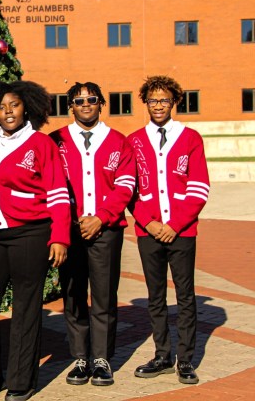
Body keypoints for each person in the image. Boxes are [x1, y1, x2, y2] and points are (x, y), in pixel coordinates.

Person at [0, 79, 71, 401]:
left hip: (32, 232)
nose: (8, 112)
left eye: (13, 105)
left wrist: (60, 237)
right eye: (1, 107)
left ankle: (22, 381)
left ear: (26, 106)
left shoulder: (41, 144)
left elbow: (58, 194)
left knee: (26, 307)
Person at [48, 82, 136, 387]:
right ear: (71, 105)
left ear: (101, 104)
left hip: (106, 230)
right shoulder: (55, 141)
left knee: (103, 295)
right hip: (68, 230)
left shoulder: (119, 142)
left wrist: (101, 218)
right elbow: (49, 185)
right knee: (73, 295)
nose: (86, 104)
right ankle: (80, 358)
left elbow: (125, 186)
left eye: (92, 99)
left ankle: (101, 358)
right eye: (79, 100)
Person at [129, 75, 209, 385]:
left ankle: (185, 359)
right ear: (145, 103)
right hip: (148, 231)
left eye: (164, 100)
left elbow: (199, 186)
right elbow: (130, 188)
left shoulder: (190, 138)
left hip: (182, 231)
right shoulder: (133, 141)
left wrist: (174, 225)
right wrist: (149, 223)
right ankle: (162, 354)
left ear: (173, 102)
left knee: (185, 296)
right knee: (155, 295)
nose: (158, 105)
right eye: (153, 100)